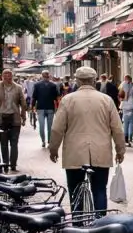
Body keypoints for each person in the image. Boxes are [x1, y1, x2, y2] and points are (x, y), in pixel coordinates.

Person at [48, 66, 126, 214]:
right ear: (94, 80)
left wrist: (53, 149)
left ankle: (78, 225)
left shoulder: (68, 100)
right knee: (99, 189)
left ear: (77, 81)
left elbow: (57, 129)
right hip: (100, 151)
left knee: (75, 190)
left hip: (75, 152)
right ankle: (100, 224)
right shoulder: (106, 100)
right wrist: (120, 150)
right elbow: (117, 128)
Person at [0, 69, 27, 171]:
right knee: (3, 143)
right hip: (2, 118)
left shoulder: (18, 88)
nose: (8, 78)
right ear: (2, 77)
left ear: (12, 77)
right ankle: (5, 164)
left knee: (14, 143)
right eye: (5, 76)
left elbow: (23, 103)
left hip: (14, 118)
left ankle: (13, 164)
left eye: (10, 76)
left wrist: (23, 117)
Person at [32, 70, 60, 149]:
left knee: (41, 126)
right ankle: (48, 142)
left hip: (40, 108)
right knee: (50, 126)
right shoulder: (53, 85)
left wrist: (32, 107)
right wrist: (58, 107)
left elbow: (34, 97)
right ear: (49, 75)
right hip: (50, 108)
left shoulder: (37, 85)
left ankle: (43, 141)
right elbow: (57, 98)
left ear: (42, 75)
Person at [119, 74, 133, 147]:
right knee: (131, 122)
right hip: (131, 106)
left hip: (124, 106)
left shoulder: (122, 85)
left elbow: (120, 95)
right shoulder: (132, 86)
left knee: (125, 123)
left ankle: (125, 138)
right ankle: (130, 136)